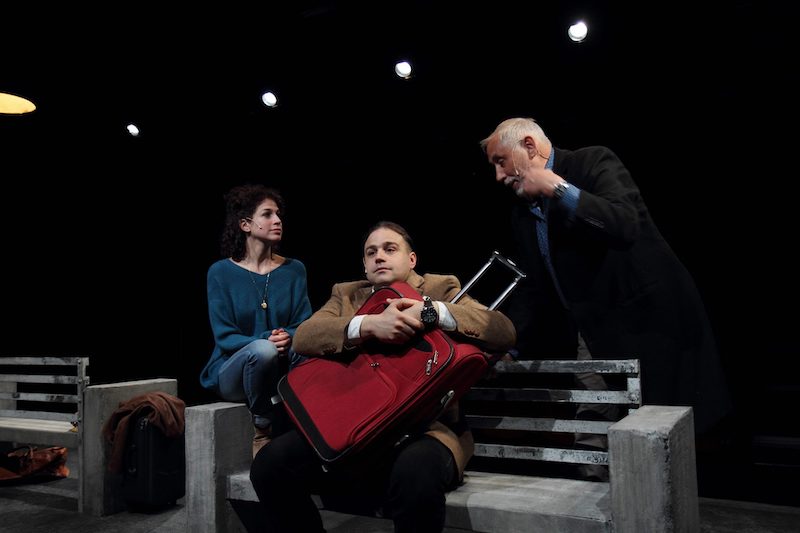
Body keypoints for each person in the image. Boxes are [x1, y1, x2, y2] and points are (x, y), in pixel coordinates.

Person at [250, 221, 515, 533]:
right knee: (269, 465)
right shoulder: (346, 294)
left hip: (424, 429)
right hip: (355, 423)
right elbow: (306, 336)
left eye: (390, 249)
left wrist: (430, 311)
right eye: (371, 252)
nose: (379, 257)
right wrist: (368, 325)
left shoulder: (439, 287)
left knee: (414, 474)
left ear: (411, 259)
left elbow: (503, 330)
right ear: (364, 265)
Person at [481, 117, 732, 438]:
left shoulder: (592, 162)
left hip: (649, 323)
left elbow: (624, 223)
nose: (498, 176)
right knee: (591, 425)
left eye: (501, 161)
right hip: (593, 333)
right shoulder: (522, 213)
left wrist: (558, 188)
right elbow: (533, 288)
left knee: (666, 430)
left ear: (529, 146)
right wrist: (511, 347)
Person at [199, 184, 312, 457]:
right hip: (235, 370)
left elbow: (305, 324)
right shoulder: (220, 272)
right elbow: (225, 337)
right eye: (267, 214)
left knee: (307, 350)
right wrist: (266, 339)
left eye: (278, 214)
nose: (277, 220)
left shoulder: (294, 270)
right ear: (246, 224)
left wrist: (288, 335)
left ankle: (312, 426)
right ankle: (262, 426)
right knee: (263, 350)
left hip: (280, 364)